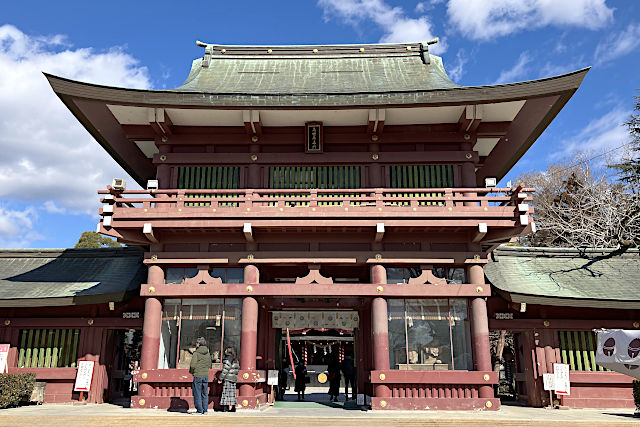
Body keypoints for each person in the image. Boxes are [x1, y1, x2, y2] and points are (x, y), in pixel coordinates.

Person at [189, 337, 211, 414]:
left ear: (199, 344)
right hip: (205, 375)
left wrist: (192, 372)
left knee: (197, 393)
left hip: (198, 375)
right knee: (204, 393)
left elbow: (192, 365)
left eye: (197, 343)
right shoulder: (208, 353)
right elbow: (209, 364)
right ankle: (205, 410)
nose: (196, 344)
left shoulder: (196, 353)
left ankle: (199, 410)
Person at [218, 346, 240, 412]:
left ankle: (226, 408)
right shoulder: (235, 359)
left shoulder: (227, 359)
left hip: (227, 378)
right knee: (232, 394)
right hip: (233, 378)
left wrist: (220, 378)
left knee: (226, 394)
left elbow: (225, 369)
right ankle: (233, 407)